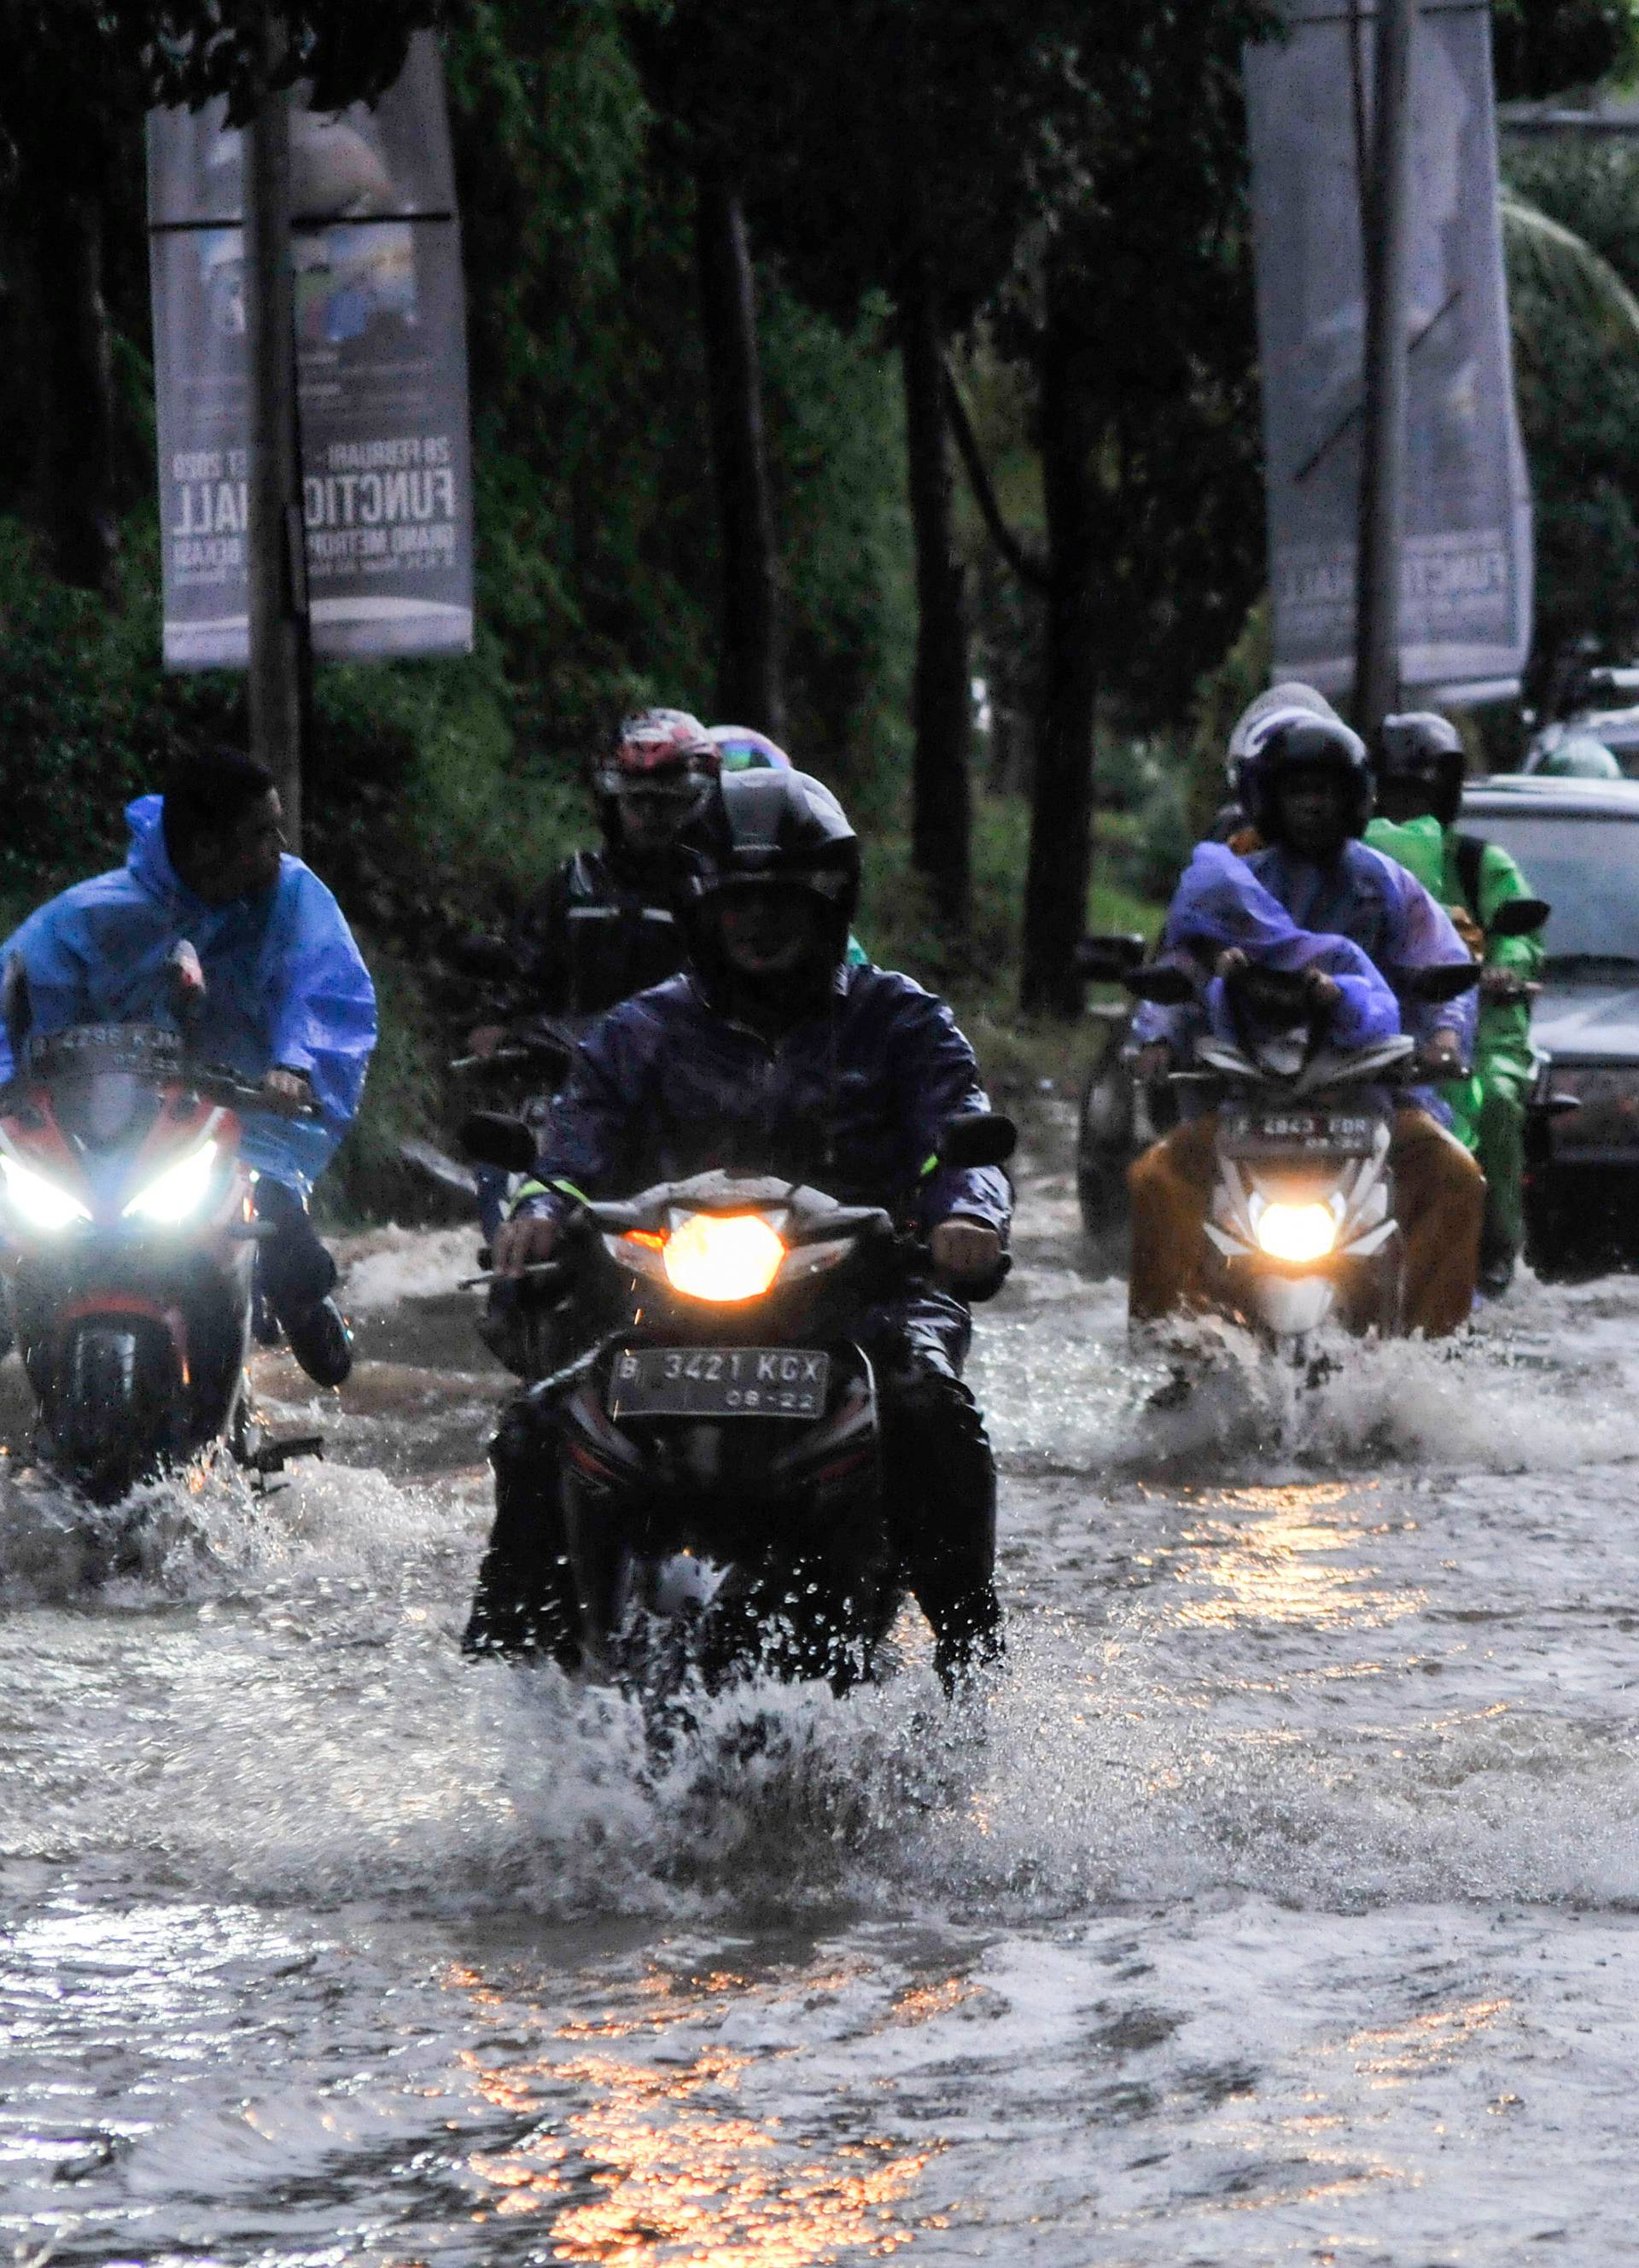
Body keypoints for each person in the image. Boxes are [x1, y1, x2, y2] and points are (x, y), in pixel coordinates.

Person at [464, 767, 1011, 1685]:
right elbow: (571, 1147)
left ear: (829, 902)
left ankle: (970, 1655)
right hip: (664, 1304)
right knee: (537, 1419)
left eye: (784, 899)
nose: (760, 921)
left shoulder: (900, 1020)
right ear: (700, 905)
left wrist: (965, 1214)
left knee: (929, 1408)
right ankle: (527, 1669)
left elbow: (965, 1137)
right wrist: (540, 1208)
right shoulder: (639, 1030)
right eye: (739, 899)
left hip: (858, 1304)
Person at [0, 751, 376, 1385]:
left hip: (240, 1121)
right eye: (262, 833)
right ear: (208, 847)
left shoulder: (293, 898)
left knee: (290, 1260)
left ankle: (302, 1307)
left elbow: (325, 989)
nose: (279, 846)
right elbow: (17, 996)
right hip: (103, 1129)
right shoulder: (90, 915)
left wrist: (297, 1066)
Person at [1126, 706, 1485, 1336]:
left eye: (1325, 790)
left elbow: (1443, 965)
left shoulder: (1388, 884)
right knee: (1157, 1176)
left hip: (1375, 1097)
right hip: (1249, 1099)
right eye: (1297, 790)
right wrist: (1154, 1035)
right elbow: (1181, 968)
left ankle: (1433, 1354)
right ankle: (1170, 1353)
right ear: (1268, 799)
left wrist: (1447, 1035)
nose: (1313, 805)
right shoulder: (1234, 884)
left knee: (1457, 1177)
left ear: (1353, 799)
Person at [1366, 710, 1544, 1296]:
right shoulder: (1354, 863)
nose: (1404, 806)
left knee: (1492, 1097)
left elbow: (1518, 929)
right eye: (1393, 792)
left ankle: (1493, 1244)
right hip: (1378, 1021)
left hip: (1477, 1022)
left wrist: (1503, 964)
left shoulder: (1479, 863)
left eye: (1417, 792)